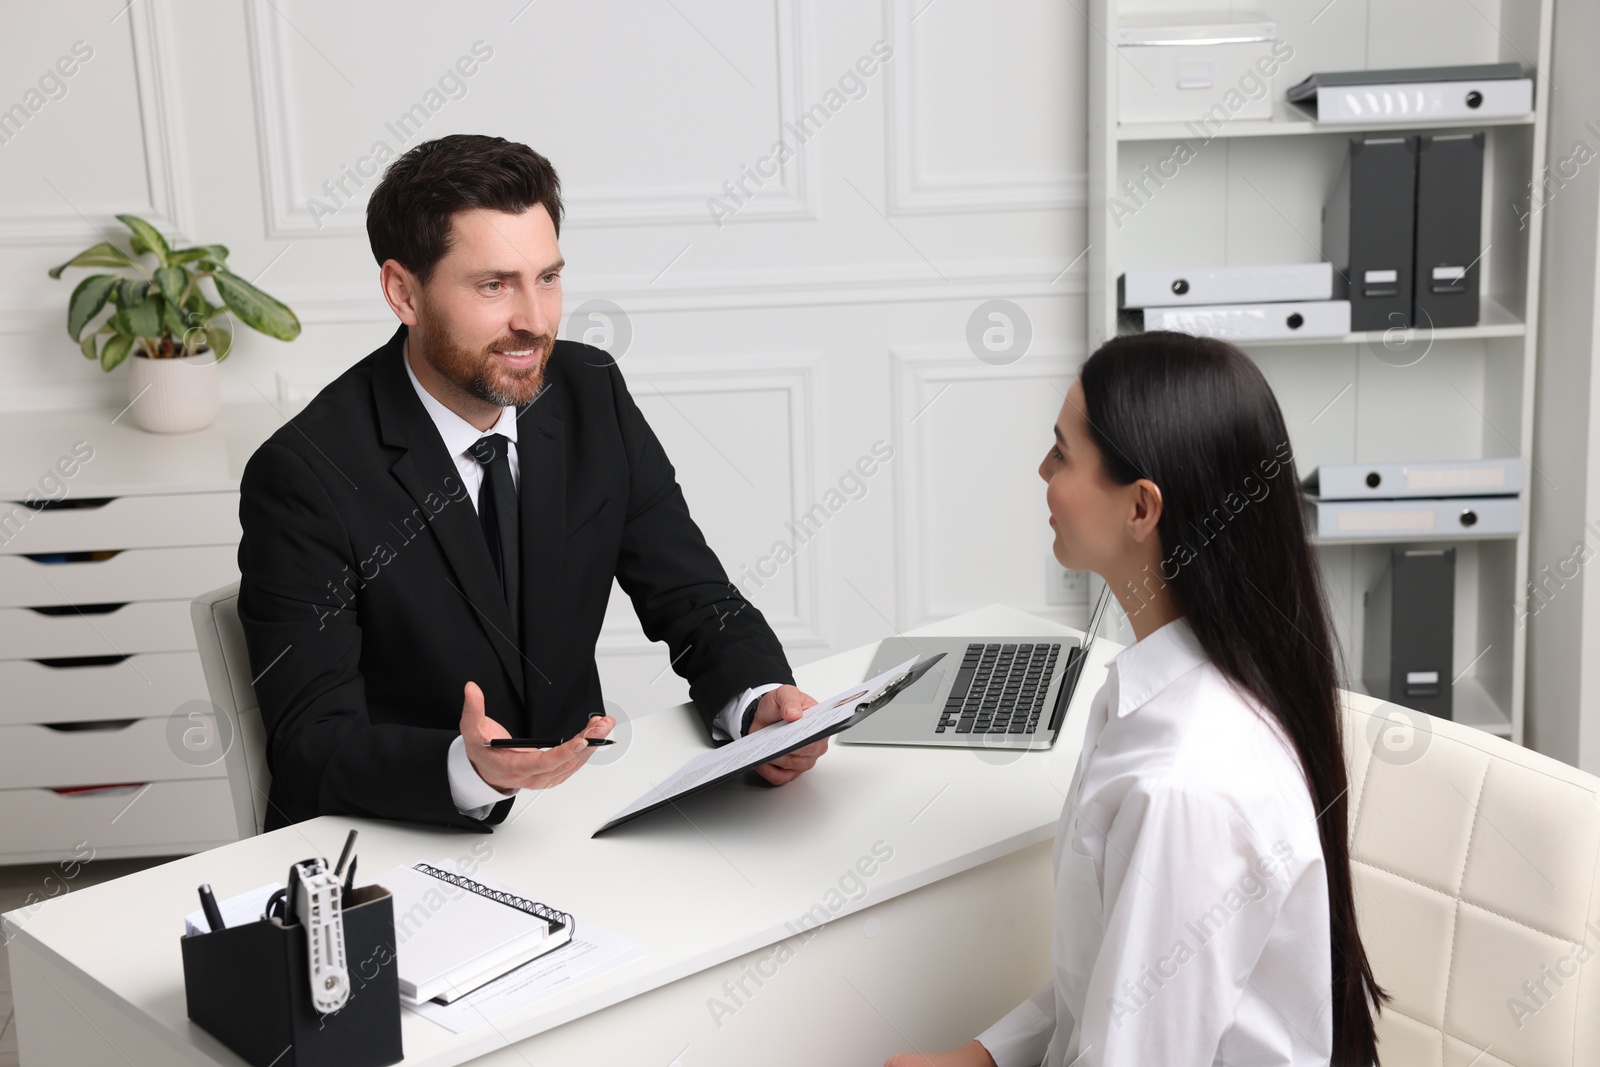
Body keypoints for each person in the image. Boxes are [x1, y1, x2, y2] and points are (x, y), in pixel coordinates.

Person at [236, 134, 828, 831]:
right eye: (494, 285)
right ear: (404, 292)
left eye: (547, 277)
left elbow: (695, 599)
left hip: (571, 819)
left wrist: (758, 700)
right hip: (394, 840)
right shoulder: (306, 473)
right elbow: (311, 741)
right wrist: (467, 767)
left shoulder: (589, 392)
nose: (536, 320)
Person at [886, 331, 1387, 1066]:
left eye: (1062, 452)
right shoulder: (1162, 690)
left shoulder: (1185, 784)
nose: (1042, 470)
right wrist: (986, 1053)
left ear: (1141, 508)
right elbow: (1113, 980)